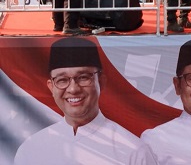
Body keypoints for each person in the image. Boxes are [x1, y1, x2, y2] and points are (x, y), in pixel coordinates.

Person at [14, 37, 156, 164]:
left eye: (83, 77)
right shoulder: (30, 149)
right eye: (62, 80)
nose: (73, 89)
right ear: (51, 87)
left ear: (101, 82)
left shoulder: (134, 152)